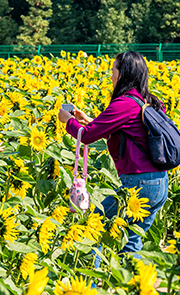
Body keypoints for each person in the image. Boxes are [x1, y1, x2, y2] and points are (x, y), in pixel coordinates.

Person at [58, 51, 168, 262]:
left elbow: (88, 136)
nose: (110, 75)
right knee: (131, 241)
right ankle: (129, 284)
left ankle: (89, 279)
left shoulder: (124, 103)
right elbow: (125, 130)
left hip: (139, 184)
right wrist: (86, 118)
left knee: (95, 225)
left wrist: (68, 121)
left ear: (123, 74)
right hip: (159, 184)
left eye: (113, 70)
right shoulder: (149, 100)